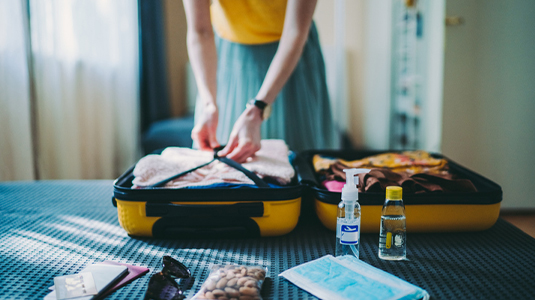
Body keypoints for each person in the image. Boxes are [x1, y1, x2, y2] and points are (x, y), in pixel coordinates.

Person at [183, 0, 335, 163]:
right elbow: (200, 31)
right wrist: (209, 104)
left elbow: (295, 31)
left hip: (291, 56)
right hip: (227, 58)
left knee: (298, 163)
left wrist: (258, 108)